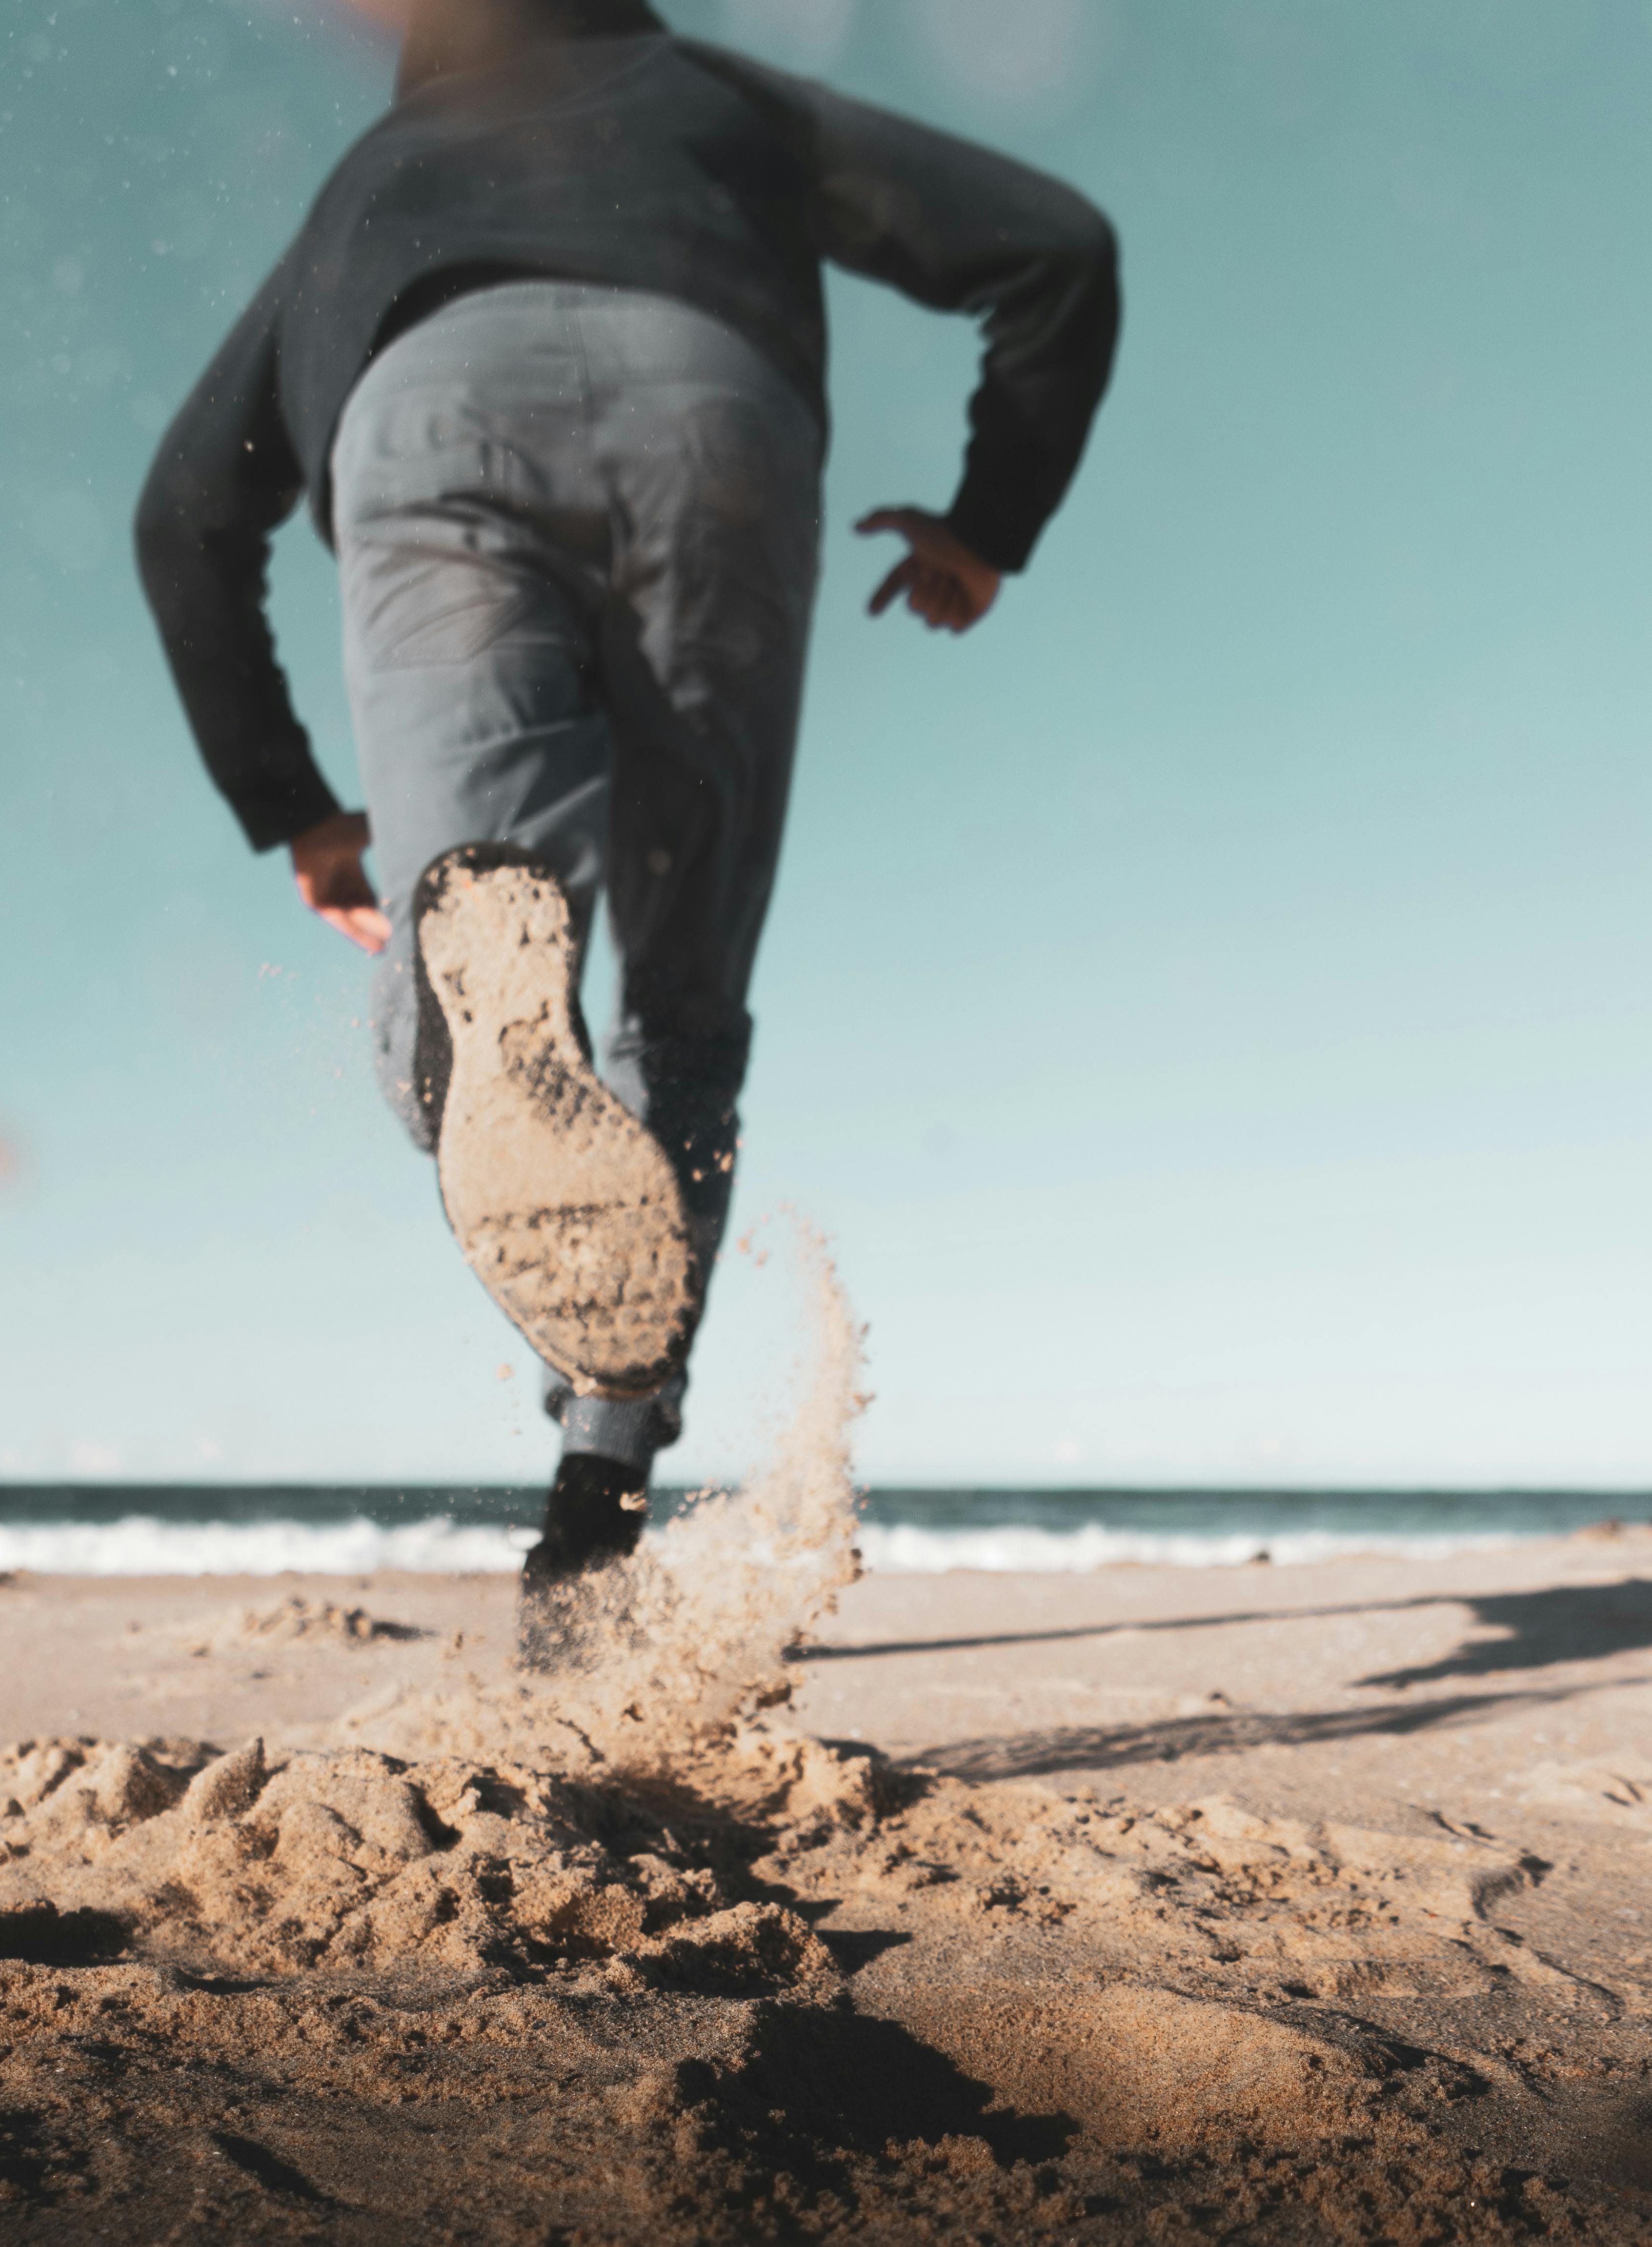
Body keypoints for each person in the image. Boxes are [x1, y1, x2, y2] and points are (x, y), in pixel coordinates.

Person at [135, 0, 1119, 1641]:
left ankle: (477, 1013)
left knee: (469, 919)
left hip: (425, 410)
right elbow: (1055, 251)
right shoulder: (715, 94)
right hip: (708, 410)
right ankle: (598, 1494)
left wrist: (296, 807)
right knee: (681, 1001)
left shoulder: (376, 178)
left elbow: (185, 518)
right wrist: (986, 520)